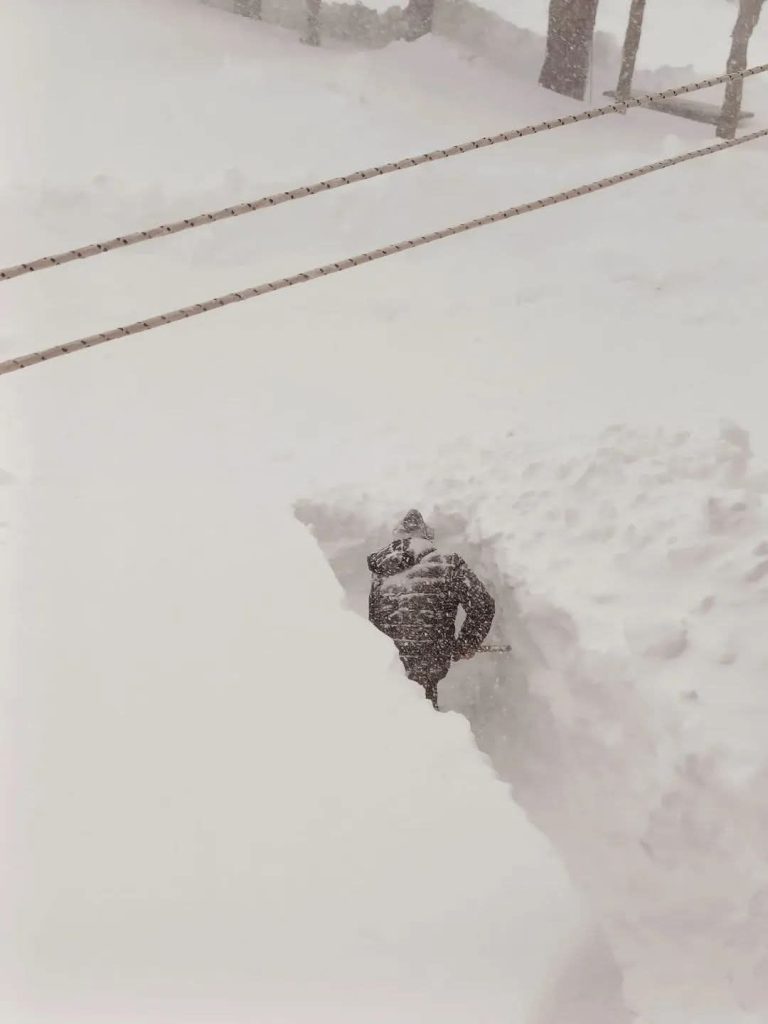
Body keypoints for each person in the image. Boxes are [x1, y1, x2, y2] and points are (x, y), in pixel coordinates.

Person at [367, 509, 495, 709]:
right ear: (425, 535)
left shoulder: (381, 571)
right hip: (427, 665)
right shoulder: (447, 564)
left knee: (392, 723)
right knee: (422, 722)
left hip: (388, 667)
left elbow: (374, 620)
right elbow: (482, 604)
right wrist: (465, 644)